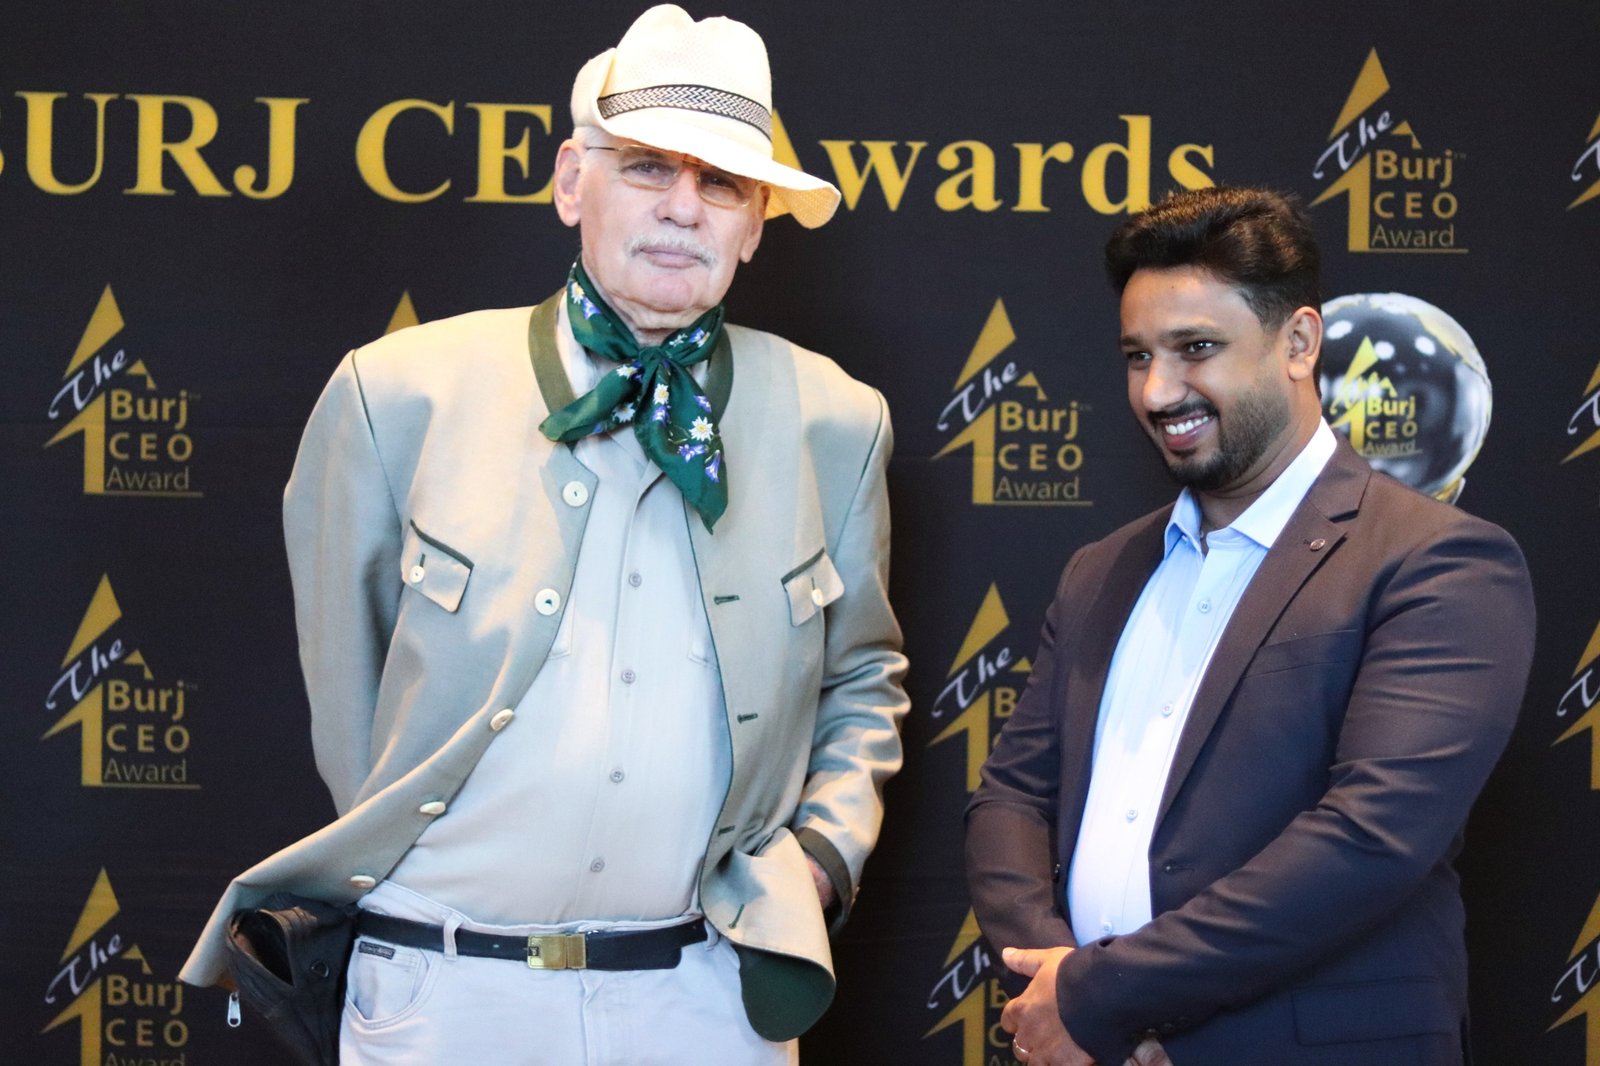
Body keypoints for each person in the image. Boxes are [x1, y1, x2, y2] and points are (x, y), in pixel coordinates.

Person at [179, 6, 908, 1063]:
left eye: (722, 184)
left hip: (709, 1001)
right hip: (440, 994)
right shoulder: (395, 395)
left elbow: (862, 674)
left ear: (756, 225)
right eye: (648, 167)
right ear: (572, 182)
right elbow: (347, 682)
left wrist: (823, 857)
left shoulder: (835, 421)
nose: (682, 208)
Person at [965, 186, 1534, 1066]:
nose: (1158, 391)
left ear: (1299, 343)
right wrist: (1059, 989)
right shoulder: (1100, 570)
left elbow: (1370, 839)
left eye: (1196, 349)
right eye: (1137, 356)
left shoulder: (1439, 562)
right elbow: (1011, 797)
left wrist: (1105, 994)